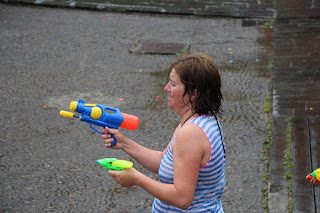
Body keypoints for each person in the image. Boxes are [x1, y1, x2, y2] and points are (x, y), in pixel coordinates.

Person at [101, 54, 226, 212]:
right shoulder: (202, 120)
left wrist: (136, 178)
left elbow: (182, 198)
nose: (166, 88)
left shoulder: (191, 134)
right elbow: (166, 162)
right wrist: (124, 143)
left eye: (173, 84)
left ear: (193, 94)